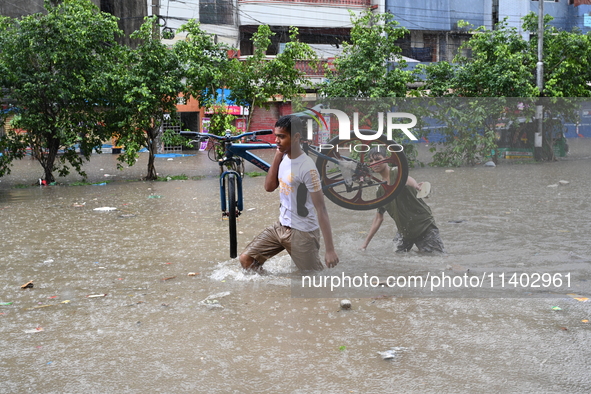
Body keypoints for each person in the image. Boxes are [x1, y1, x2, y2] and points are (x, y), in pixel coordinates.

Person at [239, 115, 339, 271]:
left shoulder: (307, 168)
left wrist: (330, 249)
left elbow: (321, 209)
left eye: (282, 137)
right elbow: (269, 187)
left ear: (296, 137)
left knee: (312, 279)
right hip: (280, 226)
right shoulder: (283, 157)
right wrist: (278, 154)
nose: (276, 141)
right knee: (246, 259)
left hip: (303, 232)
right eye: (276, 136)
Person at [360, 146, 445, 253]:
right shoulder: (380, 190)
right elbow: (378, 218)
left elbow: (407, 180)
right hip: (404, 231)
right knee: (396, 258)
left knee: (437, 258)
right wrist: (365, 244)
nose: (374, 163)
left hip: (423, 227)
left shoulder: (397, 172)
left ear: (387, 158)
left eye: (378, 159)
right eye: (371, 161)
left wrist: (416, 186)